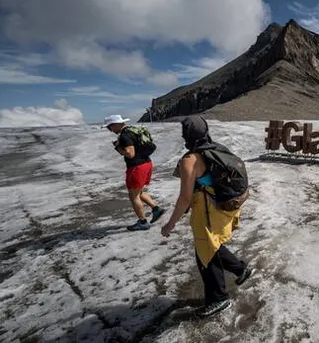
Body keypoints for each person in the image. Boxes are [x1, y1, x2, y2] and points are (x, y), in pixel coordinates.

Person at [161, 115, 252, 318]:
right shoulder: (215, 149)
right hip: (223, 206)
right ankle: (240, 270)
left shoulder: (190, 160)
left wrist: (170, 224)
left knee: (205, 254)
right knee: (212, 244)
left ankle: (219, 299)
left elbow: (185, 198)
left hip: (207, 212)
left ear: (186, 135)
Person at [103, 114, 165, 231]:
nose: (110, 130)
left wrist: (118, 147)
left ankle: (142, 222)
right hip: (146, 163)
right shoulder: (134, 130)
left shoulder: (125, 136)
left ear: (115, 125)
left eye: (109, 127)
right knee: (139, 192)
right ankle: (156, 209)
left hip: (137, 167)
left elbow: (130, 154)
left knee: (133, 195)